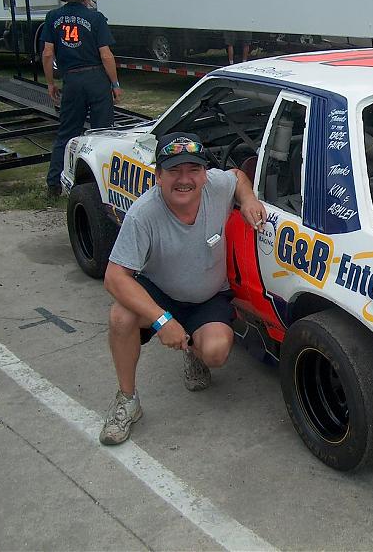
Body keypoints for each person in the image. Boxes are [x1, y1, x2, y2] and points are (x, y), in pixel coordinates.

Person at [99, 132, 267, 445]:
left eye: (193, 170)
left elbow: (237, 176)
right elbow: (115, 277)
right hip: (160, 293)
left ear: (205, 174)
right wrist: (162, 320)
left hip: (208, 296)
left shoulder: (216, 186)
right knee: (120, 317)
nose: (184, 179)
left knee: (216, 352)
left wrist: (248, 199)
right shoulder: (143, 215)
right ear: (158, 175)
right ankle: (127, 400)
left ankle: (192, 350)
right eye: (174, 170)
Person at [41, 0, 123, 198]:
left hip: (72, 79)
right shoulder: (96, 18)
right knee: (103, 133)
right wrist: (115, 83)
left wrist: (50, 82)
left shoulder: (52, 17)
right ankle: (102, 184)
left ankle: (54, 184)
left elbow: (47, 53)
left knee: (67, 132)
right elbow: (106, 54)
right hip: (96, 78)